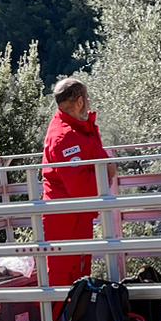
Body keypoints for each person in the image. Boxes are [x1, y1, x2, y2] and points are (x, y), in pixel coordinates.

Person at [41, 77, 110, 288]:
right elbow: (81, 187)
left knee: (78, 275)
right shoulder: (65, 137)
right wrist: (107, 173)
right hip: (66, 220)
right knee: (65, 279)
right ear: (79, 102)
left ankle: (76, 318)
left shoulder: (76, 130)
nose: (89, 103)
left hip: (75, 216)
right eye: (87, 99)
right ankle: (62, 320)